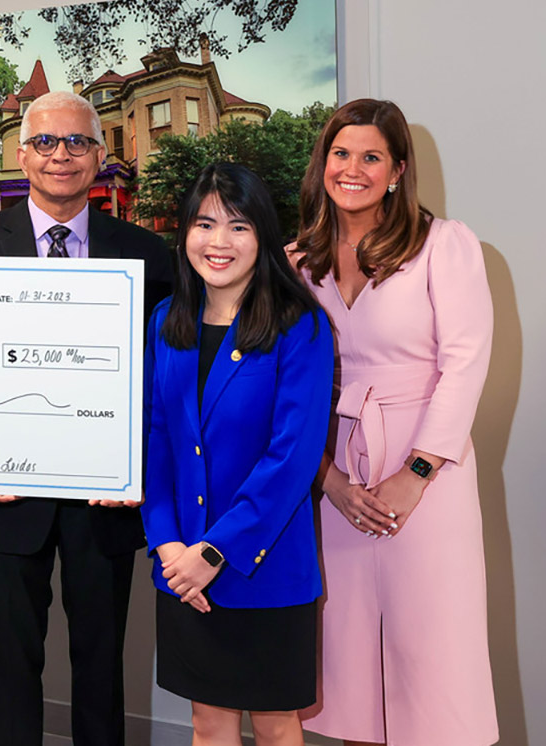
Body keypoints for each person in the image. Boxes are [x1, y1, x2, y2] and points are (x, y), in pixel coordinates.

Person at [0, 90, 173, 746]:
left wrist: (138, 469)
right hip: (5, 492)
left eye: (76, 142)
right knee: (13, 663)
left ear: (101, 155)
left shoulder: (149, 255)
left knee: (101, 664)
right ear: (22, 155)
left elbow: (162, 380)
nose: (61, 155)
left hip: (107, 493)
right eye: (46, 142)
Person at [294, 99, 497, 746]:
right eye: (341, 153)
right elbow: (285, 386)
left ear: (398, 170)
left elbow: (465, 365)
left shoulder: (446, 245)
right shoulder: (297, 260)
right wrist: (327, 481)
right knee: (350, 667)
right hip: (333, 472)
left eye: (371, 156)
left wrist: (415, 474)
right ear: (324, 162)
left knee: (433, 660)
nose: (352, 169)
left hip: (426, 474)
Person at [142, 162, 333, 746]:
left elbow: (292, 461)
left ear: (264, 237)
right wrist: (169, 543)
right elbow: (158, 442)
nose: (218, 242)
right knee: (208, 723)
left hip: (264, 565)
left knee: (277, 726)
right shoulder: (166, 323)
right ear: (185, 235)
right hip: (183, 568)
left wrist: (214, 551)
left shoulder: (300, 325)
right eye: (204, 224)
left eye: (238, 226)